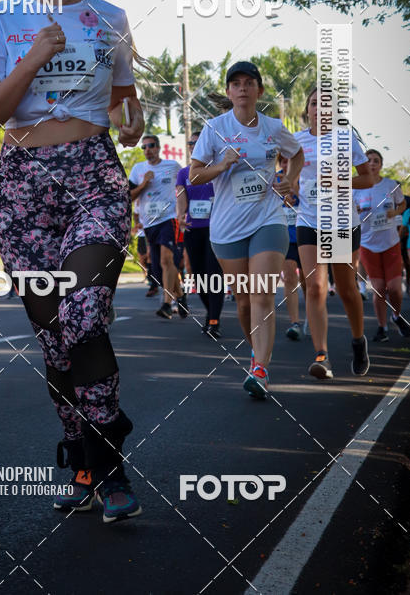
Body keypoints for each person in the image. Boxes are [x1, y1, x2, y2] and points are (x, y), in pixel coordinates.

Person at [0, 0, 144, 523]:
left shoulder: (109, 17)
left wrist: (132, 121)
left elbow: (124, 102)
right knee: (55, 339)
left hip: (93, 173)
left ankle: (108, 462)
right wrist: (34, 57)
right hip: (24, 185)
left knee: (85, 314)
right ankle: (83, 455)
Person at [190, 61, 304, 398]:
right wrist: (222, 164)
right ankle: (256, 355)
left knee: (262, 293)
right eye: (236, 83)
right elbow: (194, 175)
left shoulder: (273, 127)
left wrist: (289, 179)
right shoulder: (215, 128)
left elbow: (296, 154)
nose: (242, 88)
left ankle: (260, 370)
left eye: (249, 83)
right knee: (243, 302)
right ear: (229, 92)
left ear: (259, 90)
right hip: (227, 228)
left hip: (268, 219)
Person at [295, 88, 373, 380]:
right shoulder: (296, 141)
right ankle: (321, 355)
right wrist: (288, 189)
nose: (320, 109)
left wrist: (342, 180)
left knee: (346, 289)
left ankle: (358, 341)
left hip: (341, 221)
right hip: (308, 220)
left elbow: (368, 178)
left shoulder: (346, 138)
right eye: (315, 103)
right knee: (315, 286)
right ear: (308, 109)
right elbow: (289, 176)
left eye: (326, 105)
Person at [129, 134, 186, 319]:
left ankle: (167, 304)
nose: (148, 150)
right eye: (144, 147)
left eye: (151, 145)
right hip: (149, 224)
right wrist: (144, 183)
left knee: (166, 260)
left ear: (158, 148)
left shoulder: (173, 166)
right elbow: (129, 196)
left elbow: (185, 186)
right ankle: (180, 296)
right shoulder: (138, 169)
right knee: (159, 270)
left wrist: (184, 212)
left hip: (169, 219)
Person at [356, 150, 409, 342]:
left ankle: (396, 316)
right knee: (378, 288)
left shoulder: (390, 185)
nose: (372, 163)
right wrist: (355, 210)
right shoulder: (355, 188)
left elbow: (402, 204)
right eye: (368, 160)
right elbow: (345, 212)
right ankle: (382, 327)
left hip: (390, 243)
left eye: (376, 160)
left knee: (394, 288)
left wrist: (395, 212)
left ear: (381, 165)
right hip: (368, 244)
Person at [176, 129, 224, 337]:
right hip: (192, 229)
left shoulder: (217, 170)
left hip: (216, 228)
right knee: (199, 277)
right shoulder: (183, 173)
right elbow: (181, 197)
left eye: (197, 143)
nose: (193, 146)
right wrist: (180, 216)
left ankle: (214, 321)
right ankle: (210, 312)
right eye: (190, 144)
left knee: (214, 274)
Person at [278, 155, 305, 341]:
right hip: (285, 236)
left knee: (309, 282)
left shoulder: (306, 176)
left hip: (306, 234)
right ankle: (295, 323)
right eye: (283, 161)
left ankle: (312, 317)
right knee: (289, 278)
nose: (286, 164)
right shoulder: (275, 178)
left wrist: (294, 189)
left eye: (290, 160)